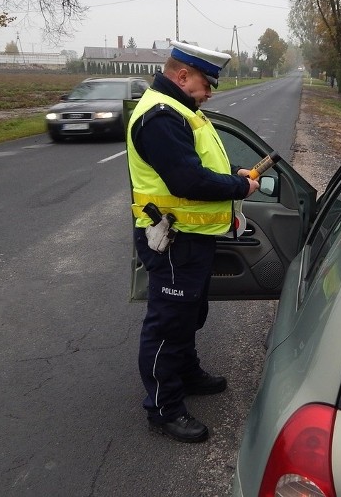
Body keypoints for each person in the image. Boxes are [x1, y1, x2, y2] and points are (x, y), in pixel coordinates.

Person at [126, 40, 259, 443]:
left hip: (191, 237)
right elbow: (188, 180)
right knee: (168, 322)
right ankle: (164, 409)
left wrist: (230, 172)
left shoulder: (181, 111)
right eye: (206, 82)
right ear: (182, 76)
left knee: (190, 313)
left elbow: (198, 166)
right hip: (172, 239)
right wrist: (238, 185)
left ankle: (185, 372)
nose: (210, 91)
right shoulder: (161, 116)